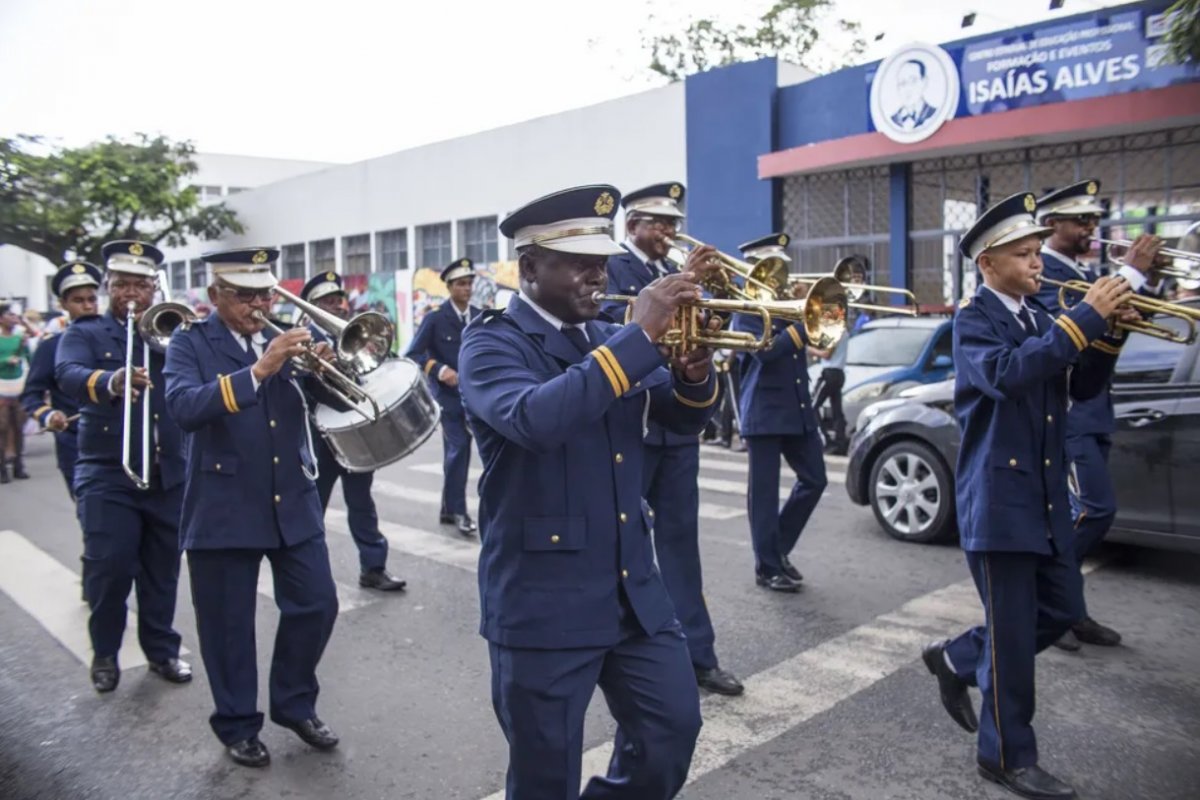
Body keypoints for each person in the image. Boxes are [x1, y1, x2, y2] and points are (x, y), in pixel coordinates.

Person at [459, 184, 719, 798]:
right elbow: (536, 420)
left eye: (601, 262)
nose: (596, 275)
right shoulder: (491, 341)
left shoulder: (608, 334)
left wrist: (694, 368)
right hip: (543, 599)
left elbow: (682, 421)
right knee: (545, 775)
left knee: (672, 731)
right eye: (579, 263)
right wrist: (638, 337)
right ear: (529, 268)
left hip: (632, 587)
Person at [921, 192, 1133, 800]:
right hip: (998, 500)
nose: (1038, 264)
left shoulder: (1041, 317)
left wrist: (1107, 337)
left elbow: (1082, 383)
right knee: (1014, 641)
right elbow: (1010, 374)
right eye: (1024, 254)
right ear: (988, 262)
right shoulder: (973, 320)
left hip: (1043, 496)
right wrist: (1082, 320)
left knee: (1064, 608)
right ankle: (1006, 757)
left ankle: (960, 657)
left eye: (1039, 252)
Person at [164, 247, 342, 768]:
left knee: (317, 603)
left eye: (265, 293)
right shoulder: (189, 342)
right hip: (224, 504)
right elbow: (183, 407)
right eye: (246, 296)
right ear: (216, 295)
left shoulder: (286, 335)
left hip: (292, 499)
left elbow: (324, 407)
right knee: (227, 625)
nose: (260, 304)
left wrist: (325, 370)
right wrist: (261, 369)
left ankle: (293, 703)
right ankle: (238, 723)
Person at [601, 182, 743, 696]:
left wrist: (718, 305)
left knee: (682, 546)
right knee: (625, 547)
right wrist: (687, 281)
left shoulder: (671, 272)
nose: (669, 232)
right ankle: (627, 652)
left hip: (678, 427)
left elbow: (702, 332)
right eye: (658, 223)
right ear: (633, 225)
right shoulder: (616, 267)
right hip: (635, 426)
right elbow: (612, 333)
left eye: (672, 224)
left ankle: (699, 655)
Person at [54, 240, 192, 693]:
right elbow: (68, 375)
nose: (132, 292)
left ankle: (161, 651)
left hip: (168, 472)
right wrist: (110, 380)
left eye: (142, 284)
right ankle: (106, 653)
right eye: (123, 283)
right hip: (108, 470)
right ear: (109, 286)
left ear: (155, 288)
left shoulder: (175, 331)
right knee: (109, 567)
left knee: (162, 570)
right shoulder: (88, 332)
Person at [1034, 179, 1162, 652]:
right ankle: (1047, 599)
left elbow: (1119, 324)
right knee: (1093, 511)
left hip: (1094, 407)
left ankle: (1070, 610)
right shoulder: (1045, 272)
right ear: (1052, 225)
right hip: (1068, 412)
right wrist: (1129, 275)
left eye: (1093, 219)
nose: (1092, 227)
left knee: (1084, 512)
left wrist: (1149, 278)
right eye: (1081, 220)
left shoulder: (1086, 275)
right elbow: (1070, 335)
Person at [732, 232, 835, 593]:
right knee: (764, 493)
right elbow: (763, 351)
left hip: (797, 407)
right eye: (774, 268)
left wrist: (811, 316)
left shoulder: (792, 301)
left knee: (816, 479)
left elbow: (821, 340)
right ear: (758, 269)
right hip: (763, 409)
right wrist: (801, 326)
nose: (782, 276)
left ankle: (777, 549)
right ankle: (768, 566)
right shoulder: (745, 307)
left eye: (783, 267)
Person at [300, 271, 406, 591]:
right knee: (313, 505)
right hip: (320, 433)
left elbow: (367, 372)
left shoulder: (351, 333)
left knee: (361, 502)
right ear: (311, 306)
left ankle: (374, 567)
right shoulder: (301, 336)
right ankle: (307, 573)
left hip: (354, 428)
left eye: (337, 300)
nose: (335, 306)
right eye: (326, 302)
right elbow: (306, 389)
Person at [406, 258, 482, 536]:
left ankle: (448, 509)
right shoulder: (435, 318)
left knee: (471, 452)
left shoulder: (479, 314)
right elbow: (414, 353)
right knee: (458, 450)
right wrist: (438, 370)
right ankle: (460, 511)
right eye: (461, 283)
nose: (467, 288)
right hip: (448, 399)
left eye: (470, 283)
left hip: (476, 397)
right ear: (449, 287)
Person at [20, 262, 102, 497]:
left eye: (92, 299)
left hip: (117, 443)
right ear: (63, 304)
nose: (87, 306)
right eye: (78, 300)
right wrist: (49, 415)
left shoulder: (118, 340)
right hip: (75, 444)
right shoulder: (51, 346)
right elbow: (31, 395)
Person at [0, 302, 33, 483]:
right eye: (9, 315)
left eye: (15, 316)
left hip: (18, 385)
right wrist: (5, 361)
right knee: (2, 428)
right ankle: (2, 467)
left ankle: (19, 464)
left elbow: (30, 358)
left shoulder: (21, 338)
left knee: (18, 427)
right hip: (1, 387)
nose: (13, 318)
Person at [890, 59, 937, 130]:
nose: (907, 88)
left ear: (924, 82)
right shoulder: (893, 120)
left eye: (913, 81)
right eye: (902, 83)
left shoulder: (933, 113)